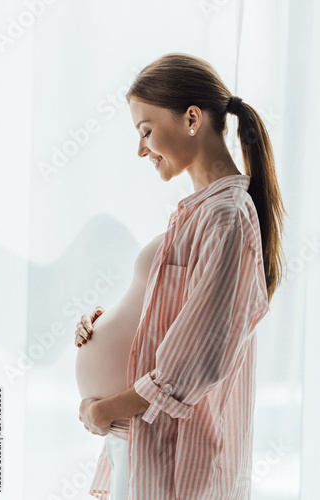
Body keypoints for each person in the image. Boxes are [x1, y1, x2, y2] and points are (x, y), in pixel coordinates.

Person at [77, 52, 287, 500]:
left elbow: (197, 358)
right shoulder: (200, 212)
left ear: (192, 118)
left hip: (171, 458)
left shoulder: (227, 218)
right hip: (139, 443)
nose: (141, 149)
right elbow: (173, 319)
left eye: (146, 131)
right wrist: (106, 322)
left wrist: (104, 409)